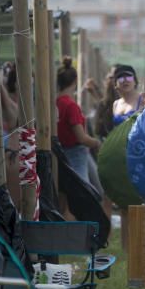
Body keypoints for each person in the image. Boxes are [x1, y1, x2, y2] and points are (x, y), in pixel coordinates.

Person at [55, 57, 103, 208]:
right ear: (75, 81)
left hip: (61, 151)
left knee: (97, 190)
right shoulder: (71, 106)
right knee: (83, 195)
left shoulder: (55, 103)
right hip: (76, 152)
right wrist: (97, 143)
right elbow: (81, 138)